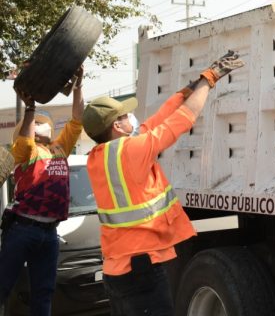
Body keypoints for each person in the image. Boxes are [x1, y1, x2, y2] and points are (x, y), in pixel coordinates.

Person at [82, 51, 243, 316]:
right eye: (123, 116)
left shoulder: (98, 158)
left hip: (117, 269)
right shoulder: (132, 150)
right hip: (141, 268)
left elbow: (155, 123)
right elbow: (183, 120)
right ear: (117, 127)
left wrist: (187, 90)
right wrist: (210, 79)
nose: (129, 119)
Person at [0, 66, 85, 316]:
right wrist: (29, 110)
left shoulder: (59, 149)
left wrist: (78, 85)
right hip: (22, 229)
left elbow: (78, 119)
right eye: (39, 123)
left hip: (49, 234)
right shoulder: (26, 152)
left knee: (44, 293)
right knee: (3, 287)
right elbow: (25, 139)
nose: (44, 124)